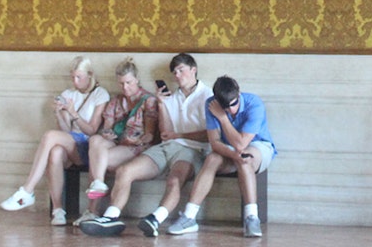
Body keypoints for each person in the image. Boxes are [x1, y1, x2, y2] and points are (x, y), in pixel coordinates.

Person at [79, 53, 213, 237]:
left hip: (192, 149)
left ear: (193, 70)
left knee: (174, 180)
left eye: (181, 70)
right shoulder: (172, 97)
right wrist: (162, 104)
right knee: (124, 171)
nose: (177, 76)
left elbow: (211, 135)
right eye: (174, 72)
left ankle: (155, 219)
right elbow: (165, 133)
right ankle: (111, 217)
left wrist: (179, 134)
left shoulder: (208, 96)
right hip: (166, 147)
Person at [0, 56, 110, 226]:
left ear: (90, 75)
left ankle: (27, 190)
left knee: (50, 136)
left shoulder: (100, 94)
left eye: (79, 77)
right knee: (55, 151)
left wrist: (74, 113)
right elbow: (65, 131)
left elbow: (92, 129)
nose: (75, 81)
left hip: (89, 146)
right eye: (72, 77)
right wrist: (59, 113)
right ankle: (58, 210)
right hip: (72, 143)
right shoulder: (68, 94)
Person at [165, 75, 275, 238]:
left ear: (239, 93)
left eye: (233, 104)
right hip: (228, 148)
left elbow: (241, 144)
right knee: (212, 159)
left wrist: (223, 118)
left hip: (258, 146)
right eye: (225, 108)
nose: (231, 110)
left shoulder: (254, 103)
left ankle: (252, 217)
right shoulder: (211, 104)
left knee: (245, 160)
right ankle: (189, 216)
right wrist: (233, 154)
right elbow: (215, 142)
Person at [83, 59, 159, 205]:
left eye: (129, 82)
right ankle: (98, 183)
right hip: (117, 142)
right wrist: (108, 133)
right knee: (95, 141)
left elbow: (149, 135)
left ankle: (92, 209)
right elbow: (107, 127)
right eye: (121, 83)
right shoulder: (116, 101)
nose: (125, 87)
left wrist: (134, 139)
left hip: (136, 146)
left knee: (98, 159)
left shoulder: (147, 101)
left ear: (136, 80)